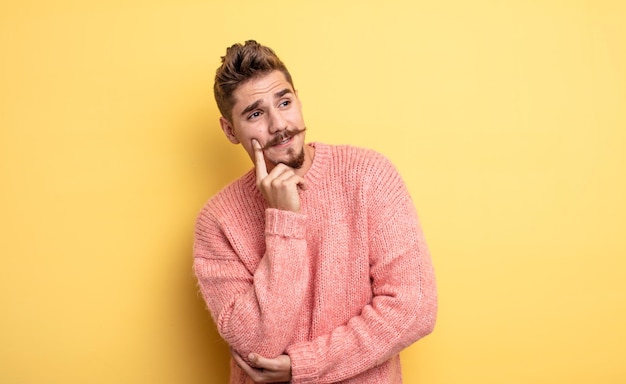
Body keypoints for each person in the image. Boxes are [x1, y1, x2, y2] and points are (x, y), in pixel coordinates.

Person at [193, 40, 437, 384]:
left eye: (285, 102)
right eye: (256, 114)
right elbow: (257, 345)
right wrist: (284, 222)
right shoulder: (217, 222)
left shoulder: (368, 176)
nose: (279, 124)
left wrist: (303, 365)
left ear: (298, 100)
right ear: (230, 130)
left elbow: (414, 308)